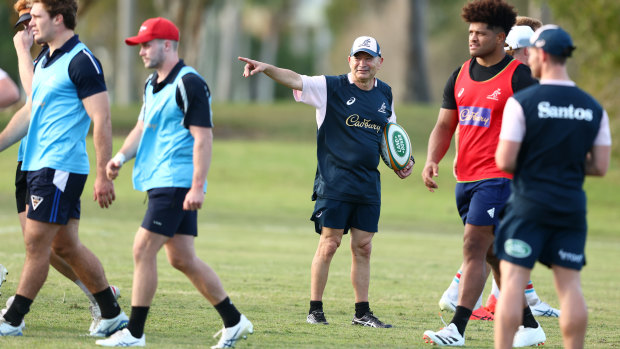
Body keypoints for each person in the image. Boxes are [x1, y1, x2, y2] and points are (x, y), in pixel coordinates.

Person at [95, 17, 253, 348]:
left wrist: (197, 185)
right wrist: (120, 157)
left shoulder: (190, 83)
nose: (141, 51)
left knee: (142, 248)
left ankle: (134, 333)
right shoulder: (151, 84)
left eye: (147, 44)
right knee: (180, 257)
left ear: (168, 45)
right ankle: (234, 320)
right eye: (140, 46)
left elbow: (203, 139)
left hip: (176, 181)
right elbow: (141, 127)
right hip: (159, 179)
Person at [238, 35, 414, 328]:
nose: (363, 63)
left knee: (364, 247)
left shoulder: (385, 94)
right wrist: (266, 67)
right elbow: (296, 79)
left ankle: (362, 313)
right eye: (357, 57)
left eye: (369, 58)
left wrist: (402, 162)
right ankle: (315, 309)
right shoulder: (330, 87)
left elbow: (391, 135)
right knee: (329, 243)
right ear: (349, 61)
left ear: (379, 63)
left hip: (368, 183)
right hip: (335, 181)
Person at [0, 0, 127, 338]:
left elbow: (102, 119)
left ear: (58, 19)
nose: (30, 25)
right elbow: (30, 113)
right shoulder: (46, 59)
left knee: (36, 246)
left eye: (37, 17)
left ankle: (12, 319)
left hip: (59, 166)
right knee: (64, 247)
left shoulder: (82, 61)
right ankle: (110, 310)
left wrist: (103, 173)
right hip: (37, 164)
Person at [421, 0, 544, 346]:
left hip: (500, 180)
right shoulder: (459, 74)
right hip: (466, 180)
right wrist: (433, 159)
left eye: (481, 33)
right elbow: (445, 125)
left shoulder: (519, 77)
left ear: (500, 36)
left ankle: (456, 329)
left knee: (474, 247)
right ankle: (530, 325)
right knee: (493, 255)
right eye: (470, 32)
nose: (472, 38)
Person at [494, 25, 611, 349]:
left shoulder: (523, 102)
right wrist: (566, 164)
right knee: (570, 285)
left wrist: (539, 164)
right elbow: (600, 166)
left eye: (532, 52)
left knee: (514, 280)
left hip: (529, 206)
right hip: (571, 207)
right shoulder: (592, 107)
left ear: (542, 54)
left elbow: (505, 159)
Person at [439, 19, 560, 319]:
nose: (533, 55)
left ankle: (474, 316)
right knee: (488, 245)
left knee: (487, 245)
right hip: (490, 176)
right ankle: (474, 303)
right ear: (517, 50)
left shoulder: (526, 80)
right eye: (528, 50)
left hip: (503, 177)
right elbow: (465, 118)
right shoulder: (509, 77)